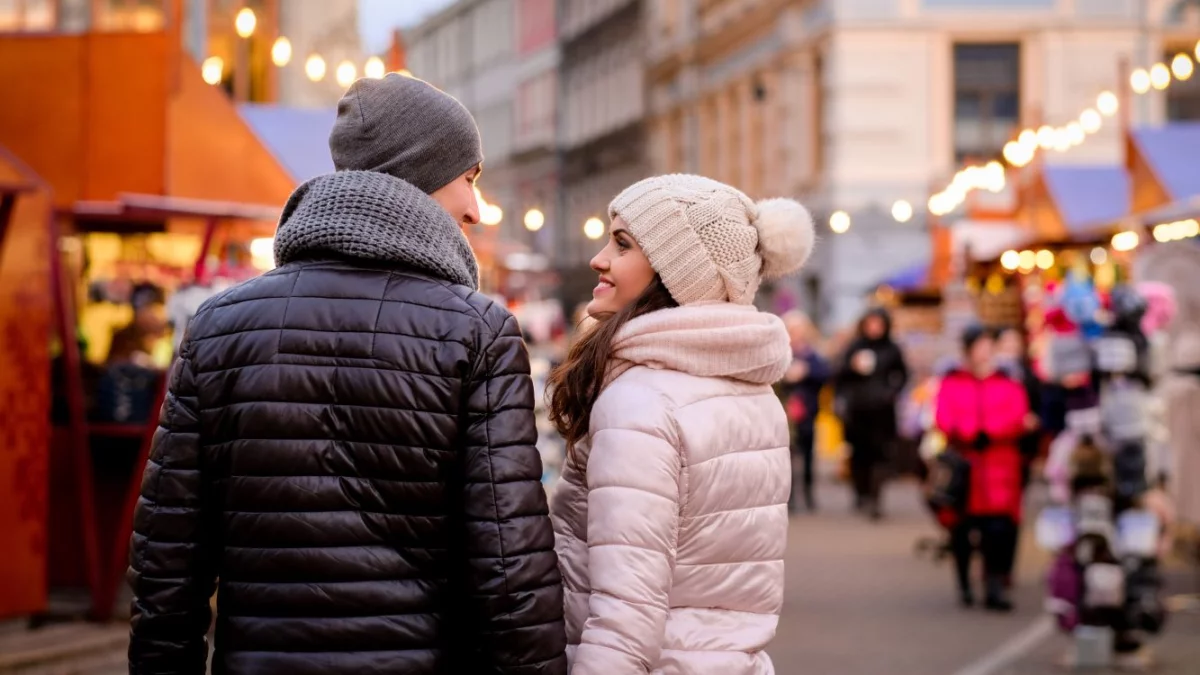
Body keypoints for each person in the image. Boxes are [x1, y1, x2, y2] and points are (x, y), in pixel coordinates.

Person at [127, 74, 566, 674]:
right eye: (469, 176)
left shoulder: (217, 326)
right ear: (420, 172)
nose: (475, 206)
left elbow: (166, 567)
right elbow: (510, 569)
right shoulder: (477, 331)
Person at [547, 175, 815, 674]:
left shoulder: (639, 403)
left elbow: (625, 621)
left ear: (677, 272)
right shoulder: (754, 392)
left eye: (622, 244)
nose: (599, 258)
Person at [935, 325, 1030, 611]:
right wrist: (967, 433)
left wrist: (991, 432)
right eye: (981, 345)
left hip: (999, 468)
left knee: (997, 531)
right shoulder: (952, 383)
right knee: (962, 531)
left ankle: (994, 586)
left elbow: (1017, 415)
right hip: (965, 470)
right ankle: (964, 583)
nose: (986, 352)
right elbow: (943, 416)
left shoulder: (1008, 383)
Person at [834, 307, 909, 520]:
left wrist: (891, 393)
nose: (874, 328)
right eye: (870, 324)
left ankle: (876, 498)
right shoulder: (854, 348)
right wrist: (851, 367)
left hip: (882, 412)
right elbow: (839, 376)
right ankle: (861, 493)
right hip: (858, 411)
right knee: (859, 455)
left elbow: (902, 375)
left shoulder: (892, 349)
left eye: (878, 324)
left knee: (881, 455)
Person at [780, 310, 831, 512]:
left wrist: (806, 372)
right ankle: (789, 496)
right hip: (785, 412)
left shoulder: (811, 355)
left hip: (808, 410)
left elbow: (825, 374)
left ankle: (809, 493)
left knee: (808, 454)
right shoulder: (780, 352)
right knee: (788, 455)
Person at [995, 326, 1043, 487]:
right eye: (1007, 340)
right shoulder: (995, 372)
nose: (1013, 345)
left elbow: (1036, 397)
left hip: (1025, 435)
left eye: (1016, 340)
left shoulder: (1026, 371)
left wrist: (1034, 416)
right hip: (1002, 432)